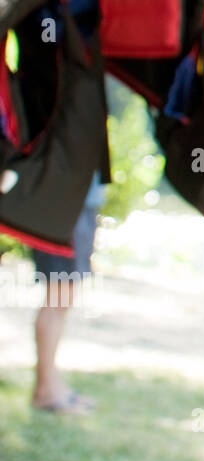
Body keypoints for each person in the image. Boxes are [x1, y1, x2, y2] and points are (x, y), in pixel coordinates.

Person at [30, 176, 108, 413]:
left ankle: (54, 385)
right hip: (63, 203)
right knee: (58, 298)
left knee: (64, 298)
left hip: (80, 203)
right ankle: (45, 390)